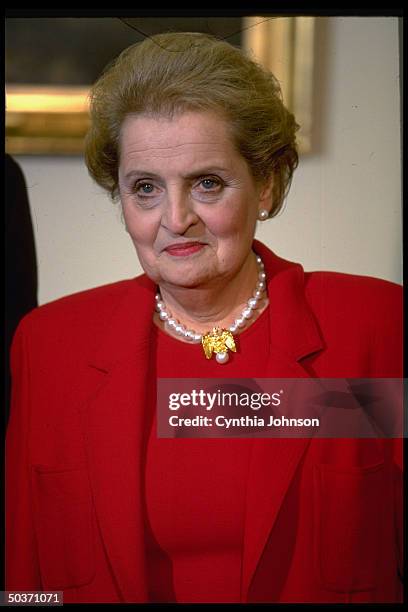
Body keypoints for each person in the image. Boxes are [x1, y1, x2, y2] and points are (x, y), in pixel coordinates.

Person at [5, 32, 403, 604]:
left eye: (207, 183)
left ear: (265, 184)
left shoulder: (374, 326)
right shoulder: (51, 345)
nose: (176, 218)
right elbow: (24, 586)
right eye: (145, 189)